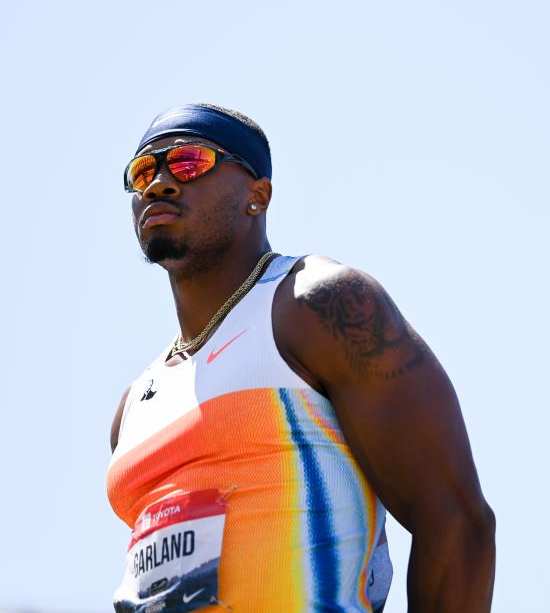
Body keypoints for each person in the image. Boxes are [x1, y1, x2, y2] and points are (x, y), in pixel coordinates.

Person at [106, 103, 496, 613]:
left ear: (258, 195)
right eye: (142, 172)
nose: (159, 183)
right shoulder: (134, 406)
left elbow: (456, 521)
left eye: (188, 162)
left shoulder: (316, 305)